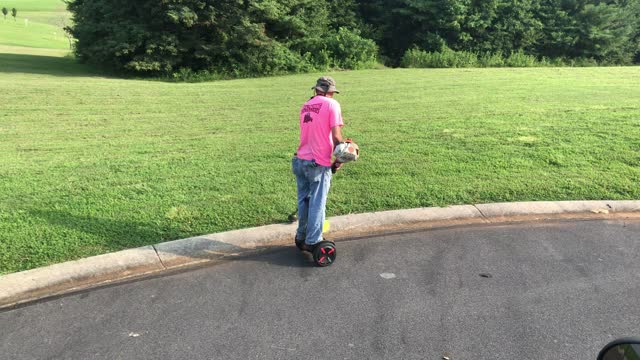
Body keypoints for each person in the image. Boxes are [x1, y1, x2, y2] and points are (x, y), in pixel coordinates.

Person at [292, 76, 344, 251]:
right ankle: (313, 241)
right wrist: (340, 159)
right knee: (317, 202)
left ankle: (301, 235)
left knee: (304, 201)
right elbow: (337, 137)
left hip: (300, 160)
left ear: (316, 90)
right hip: (318, 163)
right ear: (330, 91)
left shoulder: (306, 105)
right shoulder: (332, 104)